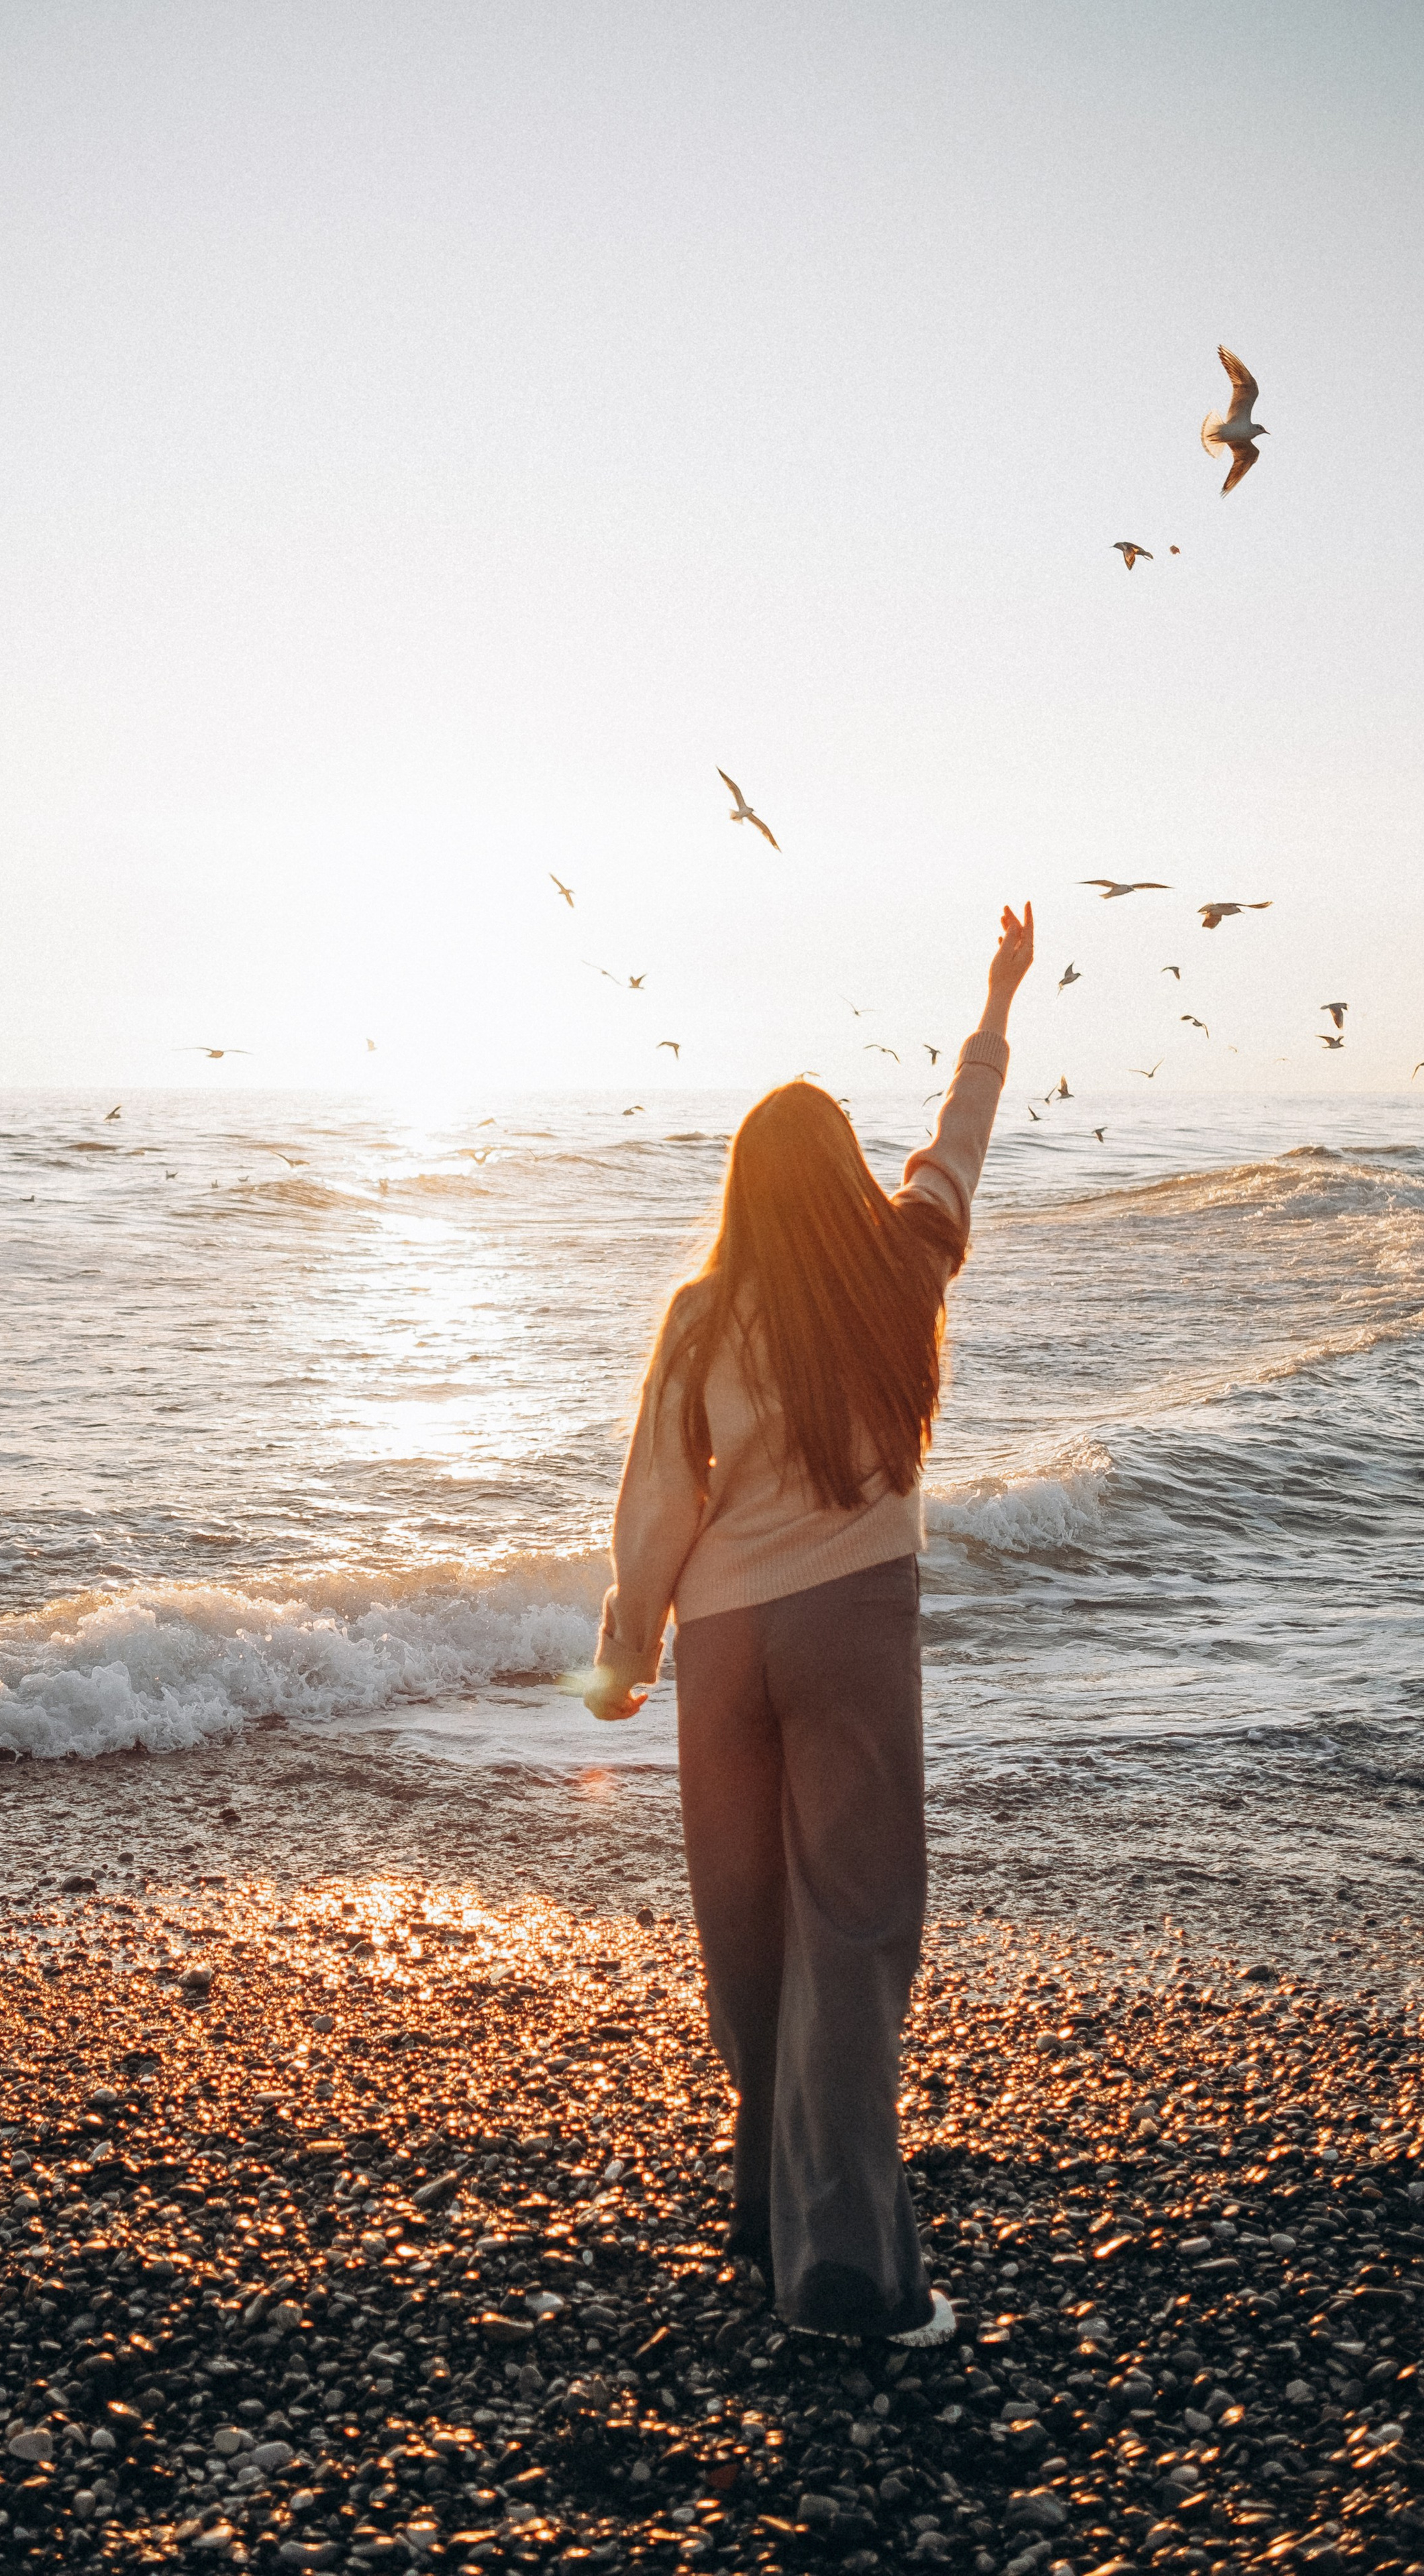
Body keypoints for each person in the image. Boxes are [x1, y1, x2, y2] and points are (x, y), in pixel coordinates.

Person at [584, 902, 1034, 2347]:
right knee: (849, 1928)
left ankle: (762, 2214)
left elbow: (655, 1498)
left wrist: (627, 1644)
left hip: (721, 1645)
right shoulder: (902, 1266)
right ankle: (844, 2268)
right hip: (846, 1627)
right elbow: (955, 1140)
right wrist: (994, 999)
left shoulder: (702, 1312)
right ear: (841, 1177)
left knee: (746, 1933)